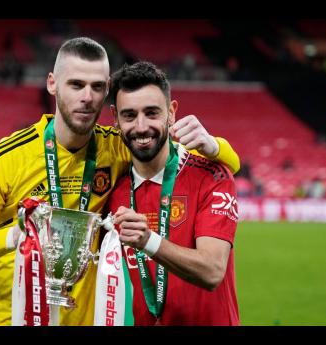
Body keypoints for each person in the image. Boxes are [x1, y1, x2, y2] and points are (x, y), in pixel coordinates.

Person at [0, 37, 240, 326]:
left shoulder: (118, 146)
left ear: (107, 90)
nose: (87, 97)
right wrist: (17, 236)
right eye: (76, 85)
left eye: (97, 86)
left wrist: (215, 146)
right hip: (12, 319)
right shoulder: (7, 158)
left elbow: (222, 165)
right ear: (52, 84)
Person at [108, 61, 239, 325]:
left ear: (171, 112)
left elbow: (213, 271)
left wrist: (148, 241)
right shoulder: (113, 188)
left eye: (152, 113)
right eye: (130, 115)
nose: (141, 126)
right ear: (115, 118)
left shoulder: (211, 176)